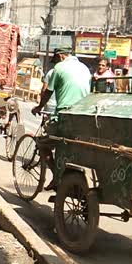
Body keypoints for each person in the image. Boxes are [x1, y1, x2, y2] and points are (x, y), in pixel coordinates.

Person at [32, 47, 91, 190]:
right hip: (83, 115)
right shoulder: (84, 68)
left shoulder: (59, 68)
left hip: (64, 115)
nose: (55, 62)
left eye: (56, 59)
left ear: (60, 56)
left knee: (42, 144)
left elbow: (47, 92)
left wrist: (39, 107)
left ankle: (56, 176)